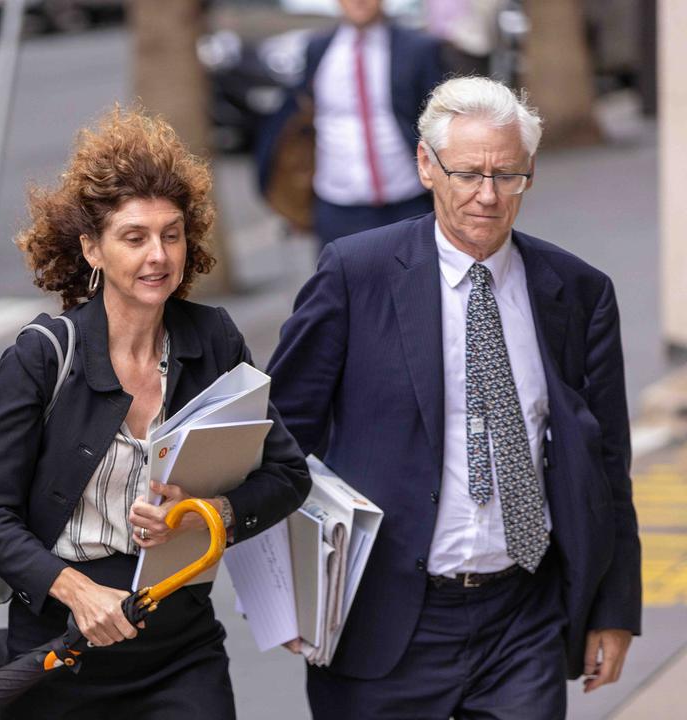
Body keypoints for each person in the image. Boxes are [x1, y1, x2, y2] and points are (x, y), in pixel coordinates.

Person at [267, 76, 640, 718]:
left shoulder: (577, 292)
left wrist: (613, 609)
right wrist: (288, 597)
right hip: (381, 624)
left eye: (508, 175)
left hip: (523, 618)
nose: (487, 196)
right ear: (425, 166)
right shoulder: (356, 274)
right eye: (467, 173)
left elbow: (606, 465)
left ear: (530, 174)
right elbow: (277, 442)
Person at [0, 108, 311, 719]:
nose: (159, 256)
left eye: (172, 234)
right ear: (92, 248)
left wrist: (206, 514)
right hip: (63, 647)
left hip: (180, 642)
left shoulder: (212, 341)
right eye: (135, 237)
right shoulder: (43, 358)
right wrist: (76, 592)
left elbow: (287, 477)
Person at [256, 0, 445, 246]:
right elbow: (296, 119)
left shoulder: (419, 48)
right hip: (336, 205)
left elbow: (441, 121)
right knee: (341, 282)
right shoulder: (318, 48)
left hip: (407, 201)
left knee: (415, 282)